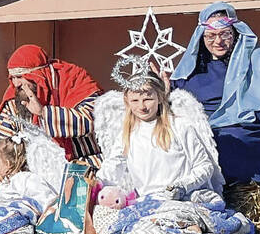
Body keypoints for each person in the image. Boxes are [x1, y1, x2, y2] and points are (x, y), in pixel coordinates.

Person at [170, 3, 260, 187]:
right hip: (199, 129)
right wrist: (163, 89)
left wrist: (232, 125)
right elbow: (175, 98)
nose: (218, 41)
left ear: (235, 33)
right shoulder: (194, 67)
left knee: (226, 141)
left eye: (225, 34)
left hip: (246, 128)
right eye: (211, 36)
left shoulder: (258, 58)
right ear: (201, 37)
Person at [0, 45, 102, 197]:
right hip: (35, 184)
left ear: (38, 75)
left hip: (85, 169)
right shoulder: (14, 100)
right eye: (12, 77)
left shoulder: (75, 81)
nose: (16, 84)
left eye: (20, 76)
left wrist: (44, 113)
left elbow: (93, 121)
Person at [95, 71, 222, 202]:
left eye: (148, 99)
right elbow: (113, 166)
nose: (142, 107)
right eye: (135, 100)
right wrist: (95, 183)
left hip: (182, 199)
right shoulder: (127, 135)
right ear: (127, 101)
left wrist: (181, 187)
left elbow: (204, 166)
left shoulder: (180, 126)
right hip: (147, 204)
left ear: (160, 97)